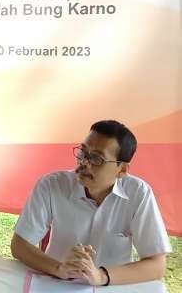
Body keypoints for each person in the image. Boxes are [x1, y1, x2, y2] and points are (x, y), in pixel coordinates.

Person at [11, 120, 170, 286]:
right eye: (83, 152)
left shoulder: (138, 193)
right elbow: (19, 245)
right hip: (56, 282)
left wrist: (101, 276)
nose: (84, 163)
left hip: (111, 286)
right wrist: (59, 268)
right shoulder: (52, 185)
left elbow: (157, 265)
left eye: (96, 159)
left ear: (121, 170)